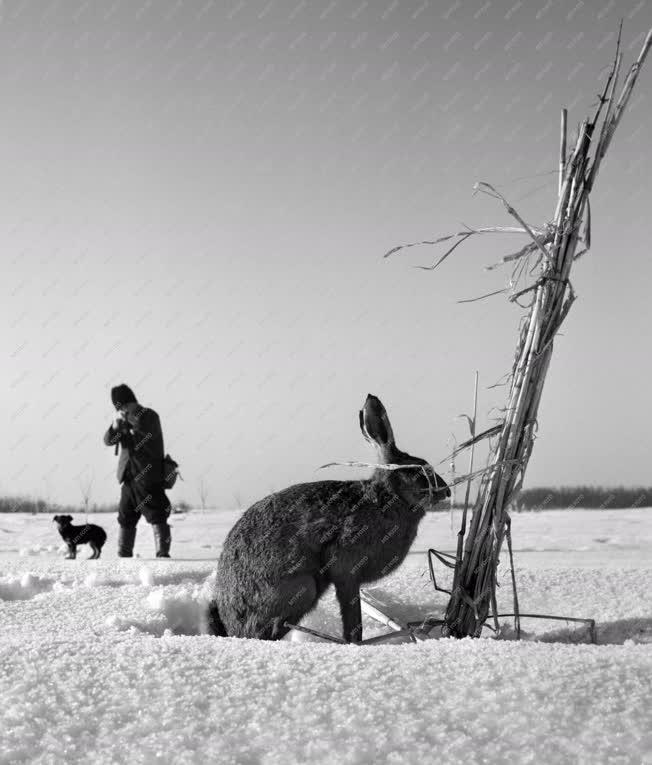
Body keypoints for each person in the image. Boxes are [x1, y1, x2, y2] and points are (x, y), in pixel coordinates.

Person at [103, 384, 172, 558]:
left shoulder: (148, 415)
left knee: (157, 514)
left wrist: (129, 421)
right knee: (125, 517)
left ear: (131, 401)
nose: (122, 409)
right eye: (119, 407)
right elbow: (108, 440)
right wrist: (115, 426)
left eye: (123, 405)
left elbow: (145, 434)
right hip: (128, 476)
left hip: (148, 476)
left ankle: (163, 554)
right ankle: (123, 556)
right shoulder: (122, 420)